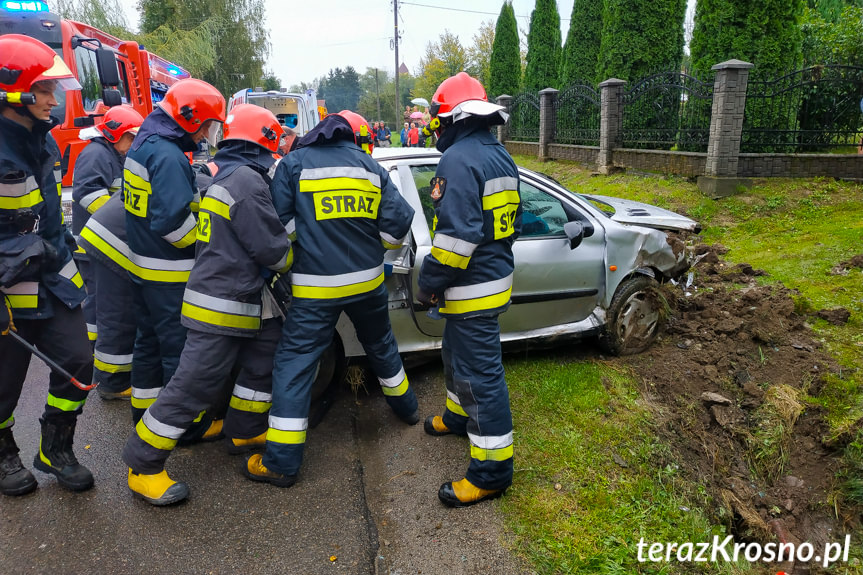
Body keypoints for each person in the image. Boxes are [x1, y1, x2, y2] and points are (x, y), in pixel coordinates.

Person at [122, 104, 292, 505]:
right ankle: (142, 465)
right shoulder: (248, 183)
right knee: (192, 386)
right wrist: (292, 256)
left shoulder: (229, 175)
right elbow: (273, 250)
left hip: (238, 297)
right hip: (221, 305)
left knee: (265, 352)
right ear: (264, 144)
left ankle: (246, 428)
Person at [250, 110, 419, 488]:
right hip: (367, 282)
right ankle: (407, 410)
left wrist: (306, 244)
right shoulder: (368, 166)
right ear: (350, 137)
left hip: (314, 287)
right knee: (382, 346)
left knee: (295, 364)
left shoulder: (292, 165)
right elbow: (397, 225)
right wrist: (374, 250)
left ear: (314, 137)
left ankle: (282, 463)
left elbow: (278, 224)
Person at [416, 72, 522, 507]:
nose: (437, 129)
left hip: (471, 286)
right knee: (455, 357)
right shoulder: (500, 156)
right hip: (491, 279)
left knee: (481, 377)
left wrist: (428, 284)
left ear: (455, 117)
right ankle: (458, 418)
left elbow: (456, 241)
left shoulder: (458, 160)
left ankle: (491, 472)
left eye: (440, 120)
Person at [0, 34, 94, 495]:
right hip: (8, 290)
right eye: (44, 90)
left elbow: (49, 218)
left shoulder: (41, 139)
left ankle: (54, 448)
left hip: (54, 279)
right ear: (12, 92)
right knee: (2, 386)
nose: (53, 100)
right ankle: (4, 458)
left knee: (78, 362)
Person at [123, 78, 225, 427]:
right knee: (178, 354)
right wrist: (208, 243)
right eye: (207, 126)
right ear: (190, 117)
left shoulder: (145, 143)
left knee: (148, 345)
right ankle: (182, 425)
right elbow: (172, 226)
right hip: (169, 273)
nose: (204, 135)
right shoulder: (167, 156)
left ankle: (144, 414)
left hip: (143, 266)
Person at [73, 105, 144, 399]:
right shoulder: (96, 154)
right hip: (96, 245)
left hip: (102, 244)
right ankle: (96, 365)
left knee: (98, 305)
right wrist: (125, 219)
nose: (132, 145)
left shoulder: (111, 154)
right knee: (101, 306)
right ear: (116, 134)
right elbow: (88, 195)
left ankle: (91, 356)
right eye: (130, 138)